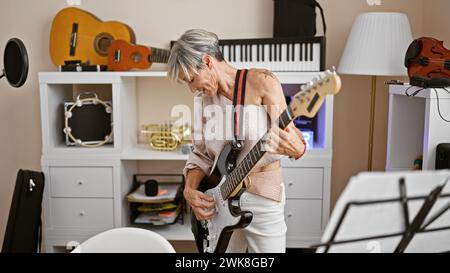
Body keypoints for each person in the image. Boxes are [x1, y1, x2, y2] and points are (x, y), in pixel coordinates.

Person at [168, 29, 306, 253]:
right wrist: (189, 190)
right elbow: (200, 154)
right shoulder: (203, 100)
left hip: (264, 195)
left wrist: (297, 147)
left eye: (192, 79)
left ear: (207, 61)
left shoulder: (262, 81)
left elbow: (291, 137)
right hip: (219, 201)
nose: (192, 88)